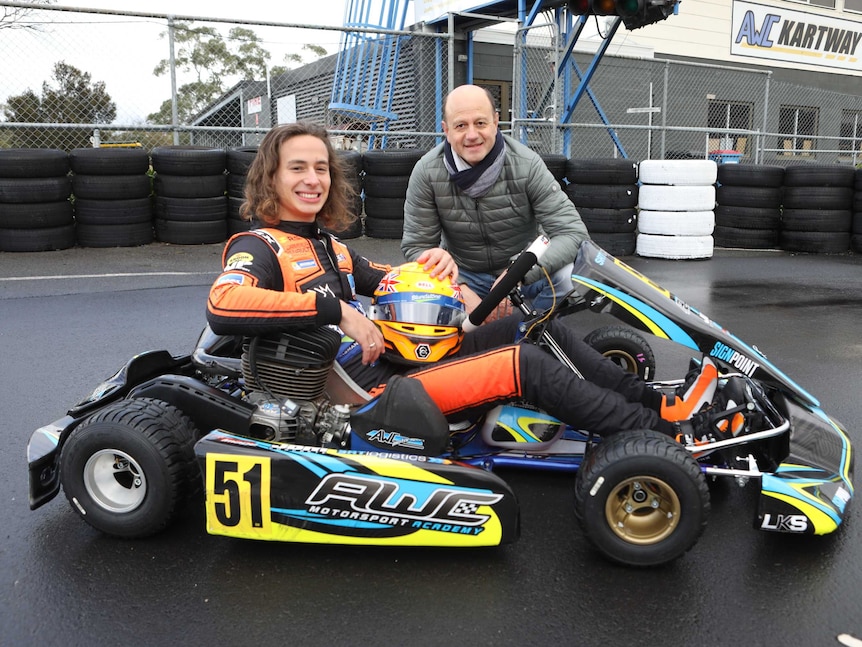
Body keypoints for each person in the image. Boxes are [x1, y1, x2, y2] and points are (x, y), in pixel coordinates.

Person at [206, 121, 724, 444]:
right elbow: (223, 303)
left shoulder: (329, 245)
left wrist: (437, 266)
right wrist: (337, 310)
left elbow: (387, 277)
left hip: (395, 363)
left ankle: (657, 403)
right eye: (298, 168)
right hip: (368, 397)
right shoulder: (260, 246)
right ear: (270, 178)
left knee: (530, 327)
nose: (313, 179)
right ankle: (665, 434)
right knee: (523, 366)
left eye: (321, 168)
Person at [401, 84, 589, 314]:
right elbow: (417, 246)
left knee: (568, 277)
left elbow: (573, 233)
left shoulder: (527, 165)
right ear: (446, 130)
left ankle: (527, 331)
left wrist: (518, 273)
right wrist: (455, 285)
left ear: (495, 122)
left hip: (521, 272)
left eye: (480, 123)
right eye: (461, 126)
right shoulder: (426, 172)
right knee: (407, 288)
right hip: (464, 274)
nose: (472, 135)